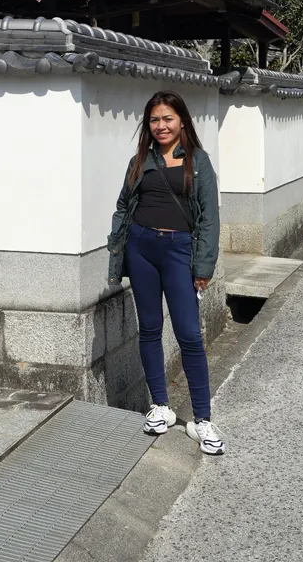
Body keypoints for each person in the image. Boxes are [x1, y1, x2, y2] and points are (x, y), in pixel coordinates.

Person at [107, 90, 225, 455]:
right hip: (141, 247)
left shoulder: (198, 161)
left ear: (182, 121)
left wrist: (203, 265)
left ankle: (202, 419)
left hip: (179, 251)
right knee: (150, 330)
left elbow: (209, 217)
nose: (161, 126)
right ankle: (160, 406)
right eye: (154, 120)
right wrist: (118, 248)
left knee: (189, 334)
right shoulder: (140, 159)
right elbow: (124, 205)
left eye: (167, 119)